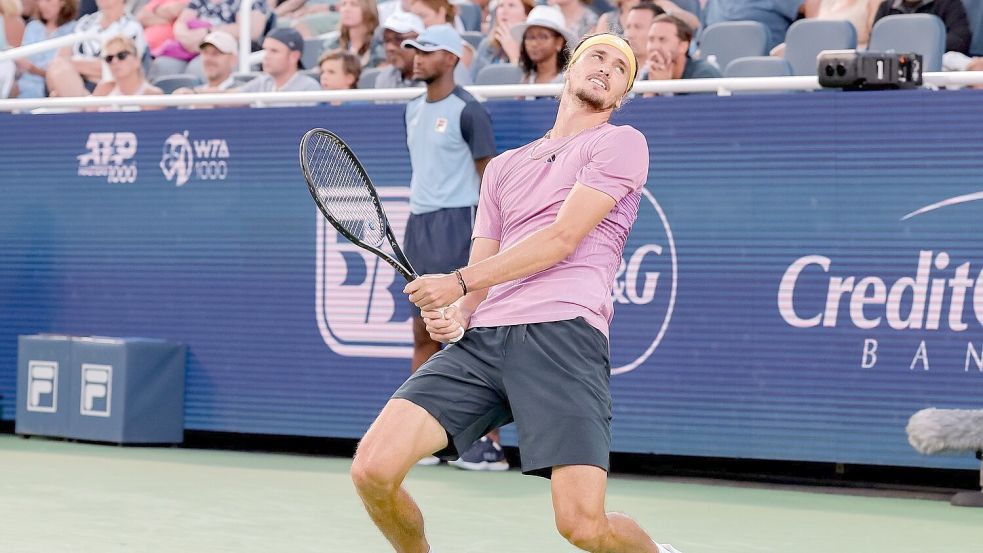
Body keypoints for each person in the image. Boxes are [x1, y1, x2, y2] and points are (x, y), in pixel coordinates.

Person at [352, 30, 685, 553]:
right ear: (570, 68)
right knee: (372, 470)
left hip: (564, 336)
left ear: (621, 95)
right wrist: (457, 314)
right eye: (596, 57)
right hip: (484, 343)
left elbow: (561, 238)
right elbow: (482, 270)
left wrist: (458, 282)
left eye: (620, 68)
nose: (605, 69)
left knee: (582, 526)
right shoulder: (504, 168)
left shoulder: (620, 143)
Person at [398, 24, 500, 468]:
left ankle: (487, 443)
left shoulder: (469, 111)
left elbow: (492, 182)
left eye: (428, 50)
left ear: (453, 58)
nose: (417, 57)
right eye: (414, 50)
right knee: (422, 331)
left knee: (467, 332)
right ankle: (419, 434)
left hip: (459, 224)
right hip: (419, 227)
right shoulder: (410, 109)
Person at [45, 0, 145, 97]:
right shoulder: (84, 22)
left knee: (61, 72)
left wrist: (73, 65)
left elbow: (119, 66)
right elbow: (60, 59)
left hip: (109, 89)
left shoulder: (132, 26)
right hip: (75, 82)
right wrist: (89, 70)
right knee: (57, 69)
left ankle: (85, 107)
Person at [14, 0, 77, 98]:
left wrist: (33, 69)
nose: (42, 4)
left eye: (48, 0)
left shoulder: (74, 29)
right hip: (21, 87)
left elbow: (63, 71)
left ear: (63, 2)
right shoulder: (33, 27)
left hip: (51, 91)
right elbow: (21, 65)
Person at [236, 27, 320, 94]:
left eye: (274, 51)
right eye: (266, 50)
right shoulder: (263, 82)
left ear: (294, 56)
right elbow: (231, 98)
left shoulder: (308, 88)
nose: (266, 56)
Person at [91, 34, 163, 109]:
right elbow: (87, 118)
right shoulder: (103, 90)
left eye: (121, 55)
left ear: (137, 60)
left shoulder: (152, 95)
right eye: (109, 58)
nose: (114, 61)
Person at [872, 0, 972, 54]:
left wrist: (919, 46)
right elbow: (875, 44)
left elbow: (960, 40)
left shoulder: (948, 3)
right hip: (892, 65)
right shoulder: (886, 7)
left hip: (938, 63)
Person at [645, 13, 721, 81]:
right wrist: (652, 89)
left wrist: (663, 87)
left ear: (683, 46)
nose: (654, 46)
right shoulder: (649, 74)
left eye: (662, 40)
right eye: (651, 40)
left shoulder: (704, 75)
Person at [513, 4, 575, 84]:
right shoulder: (524, 80)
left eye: (542, 37)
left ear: (559, 42)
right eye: (530, 37)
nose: (534, 43)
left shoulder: (568, 82)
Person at [471, 0, 535, 76]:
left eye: (511, 5)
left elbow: (529, 83)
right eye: (501, 5)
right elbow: (474, 81)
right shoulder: (486, 45)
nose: (504, 11)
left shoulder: (533, 46)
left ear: (526, 14)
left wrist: (515, 57)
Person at [317, 0, 385, 67]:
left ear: (368, 9)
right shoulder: (330, 46)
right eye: (343, 4)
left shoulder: (381, 46)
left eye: (354, 4)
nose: (346, 9)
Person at [172, 30, 237, 95]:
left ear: (233, 59)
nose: (208, 59)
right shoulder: (191, 93)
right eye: (205, 52)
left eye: (216, 53)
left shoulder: (244, 93)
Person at [374, 11, 424, 88]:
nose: (389, 48)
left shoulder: (435, 78)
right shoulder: (385, 78)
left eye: (398, 39)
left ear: (419, 39)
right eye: (386, 40)